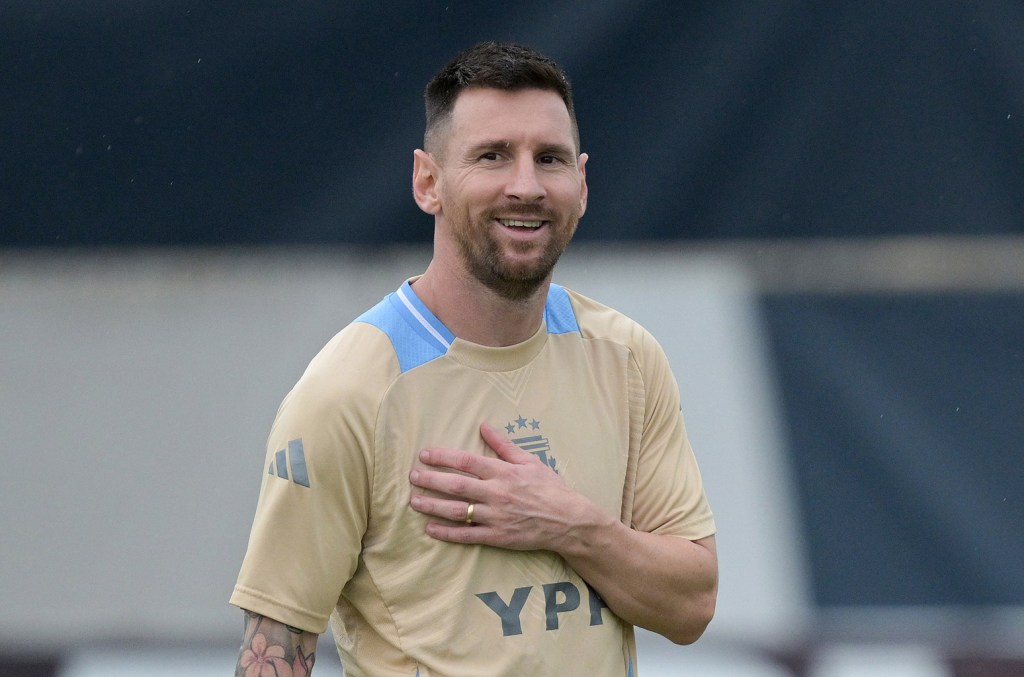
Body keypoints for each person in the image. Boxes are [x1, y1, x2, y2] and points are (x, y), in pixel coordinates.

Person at [231, 41, 717, 676]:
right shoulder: (347, 393)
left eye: (550, 159)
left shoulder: (625, 357)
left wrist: (570, 526)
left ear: (582, 184)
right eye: (492, 157)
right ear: (428, 182)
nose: (526, 186)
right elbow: (274, 653)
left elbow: (692, 605)